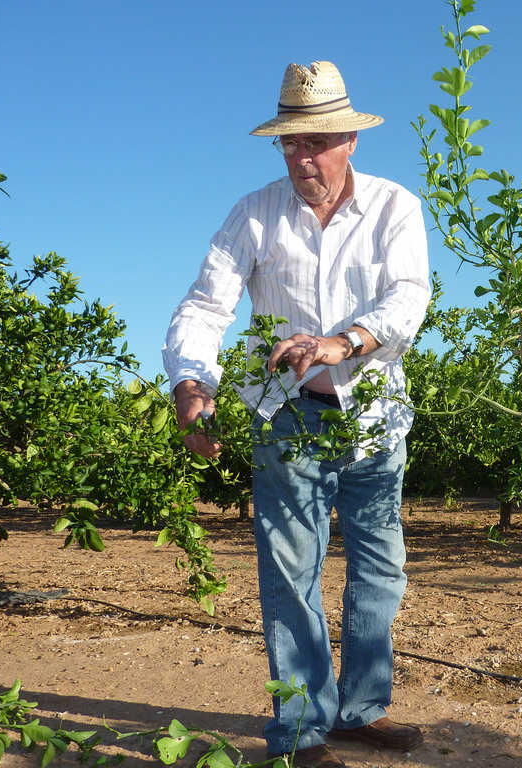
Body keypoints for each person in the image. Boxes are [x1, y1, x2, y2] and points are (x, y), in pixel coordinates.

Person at [162, 60, 430, 768]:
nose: (302, 157)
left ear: (349, 139)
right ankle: (303, 729)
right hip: (286, 417)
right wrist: (191, 386)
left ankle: (360, 710)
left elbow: (408, 297)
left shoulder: (395, 206)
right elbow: (205, 305)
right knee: (290, 575)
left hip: (374, 414)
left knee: (380, 571)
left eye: (315, 142)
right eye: (290, 144)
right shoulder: (253, 213)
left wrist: (342, 343)